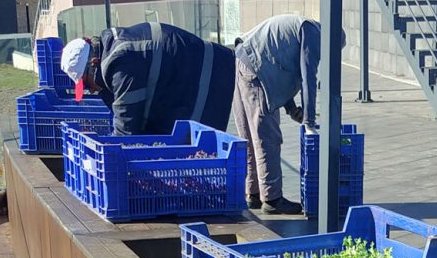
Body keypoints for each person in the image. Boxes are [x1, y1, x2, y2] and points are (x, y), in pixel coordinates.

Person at [233, 14, 343, 215]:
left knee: (249, 135)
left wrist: (291, 109)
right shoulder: (313, 34)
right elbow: (308, 77)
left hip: (242, 61)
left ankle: (253, 193)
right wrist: (309, 121)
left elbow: (280, 69)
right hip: (256, 69)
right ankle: (272, 199)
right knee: (267, 136)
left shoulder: (303, 27)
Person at [61, 22, 235, 136]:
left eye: (86, 84)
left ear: (93, 63)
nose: (90, 90)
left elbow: (126, 128)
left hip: (215, 77)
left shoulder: (121, 63)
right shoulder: (113, 50)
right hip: (193, 80)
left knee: (202, 148)